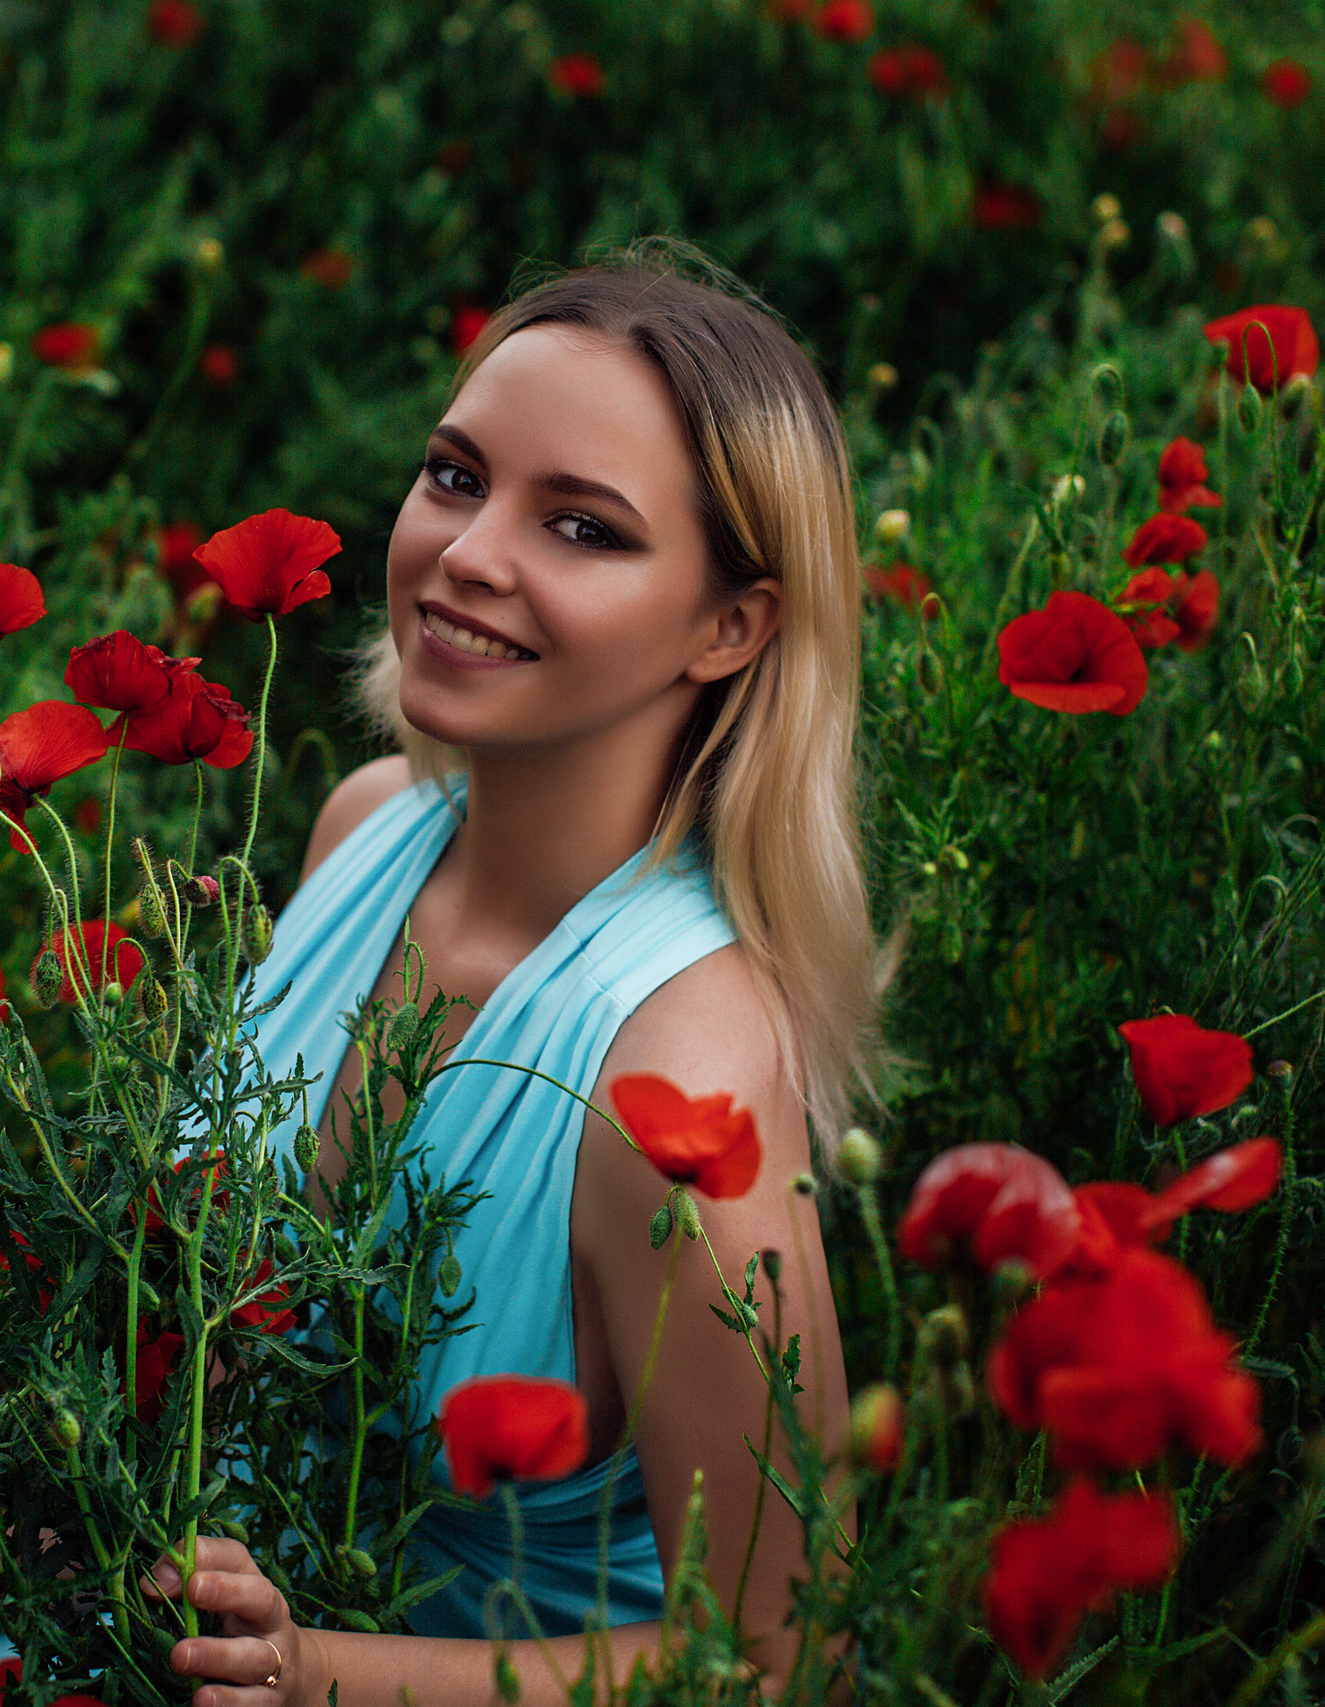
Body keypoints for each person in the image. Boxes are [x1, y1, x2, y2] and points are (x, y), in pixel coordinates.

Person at [149, 243, 897, 1707]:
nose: (469, 554)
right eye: (453, 476)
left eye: (583, 527)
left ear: (732, 625)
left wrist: (309, 1674)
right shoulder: (366, 831)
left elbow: (779, 1663)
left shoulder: (671, 1081)